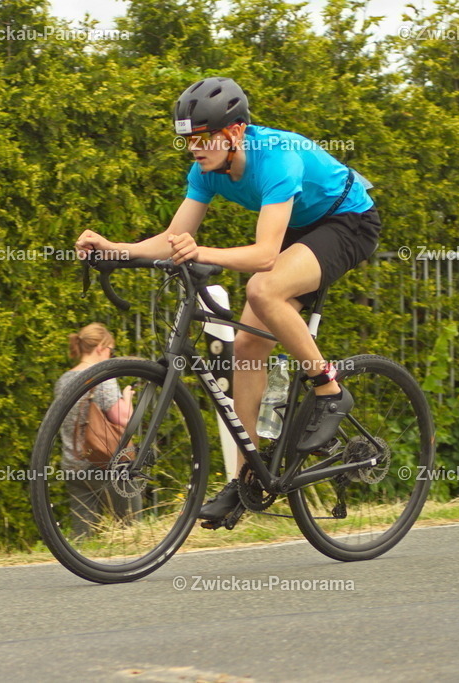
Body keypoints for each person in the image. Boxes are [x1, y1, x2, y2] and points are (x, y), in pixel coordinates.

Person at [75, 77, 381, 528]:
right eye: (187, 140)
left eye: (202, 137)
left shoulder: (275, 157)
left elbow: (264, 256)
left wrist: (201, 252)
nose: (194, 148)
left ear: (235, 133)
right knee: (247, 348)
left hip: (347, 219)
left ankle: (330, 390)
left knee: (262, 287)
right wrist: (113, 249)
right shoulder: (204, 171)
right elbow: (171, 239)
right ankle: (246, 482)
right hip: (298, 227)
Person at [56, 323, 139, 538]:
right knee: (129, 528)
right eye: (111, 349)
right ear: (101, 347)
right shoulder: (103, 378)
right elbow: (122, 418)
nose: (111, 354)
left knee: (83, 533)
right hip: (106, 464)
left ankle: (80, 566)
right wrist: (128, 396)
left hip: (74, 465)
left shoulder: (63, 380)